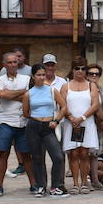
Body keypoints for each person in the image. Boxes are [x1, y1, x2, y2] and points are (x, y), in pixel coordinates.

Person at [20, 63, 66, 197]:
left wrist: (56, 120)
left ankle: (55, 186)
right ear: (33, 77)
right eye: (38, 75)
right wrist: (37, 119)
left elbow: (63, 106)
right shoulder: (29, 93)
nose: (41, 77)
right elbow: (25, 112)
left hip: (49, 126)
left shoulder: (51, 90)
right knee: (37, 158)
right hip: (34, 126)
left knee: (57, 157)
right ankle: (40, 185)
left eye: (43, 75)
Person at [0, 52, 32, 196]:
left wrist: (10, 94)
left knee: (26, 155)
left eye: (15, 62)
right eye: (9, 62)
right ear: (4, 64)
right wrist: (21, 93)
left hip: (23, 121)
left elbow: (29, 96)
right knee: (3, 154)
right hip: (5, 121)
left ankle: (33, 184)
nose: (13, 64)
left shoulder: (27, 78)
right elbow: (2, 95)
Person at [58, 62, 100, 194]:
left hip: (86, 122)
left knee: (84, 153)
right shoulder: (66, 86)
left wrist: (81, 118)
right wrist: (71, 118)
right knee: (73, 153)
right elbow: (62, 104)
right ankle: (75, 184)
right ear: (72, 70)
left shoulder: (91, 85)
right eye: (77, 68)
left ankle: (84, 183)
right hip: (71, 124)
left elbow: (95, 105)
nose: (80, 71)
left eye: (83, 68)